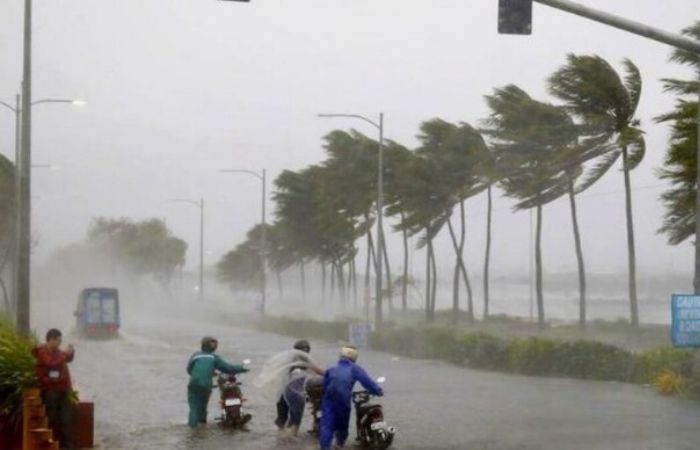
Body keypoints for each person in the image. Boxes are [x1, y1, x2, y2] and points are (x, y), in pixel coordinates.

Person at [320, 345, 383, 450]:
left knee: (327, 425)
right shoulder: (355, 369)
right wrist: (378, 391)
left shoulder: (331, 368)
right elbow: (367, 382)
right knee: (342, 425)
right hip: (343, 400)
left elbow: (325, 384)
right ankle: (339, 445)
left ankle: (325, 447)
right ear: (354, 357)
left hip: (329, 400)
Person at [186, 336, 249, 428]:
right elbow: (228, 368)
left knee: (194, 408)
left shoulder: (195, 355)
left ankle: (193, 428)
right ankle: (202, 425)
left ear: (202, 345)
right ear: (214, 348)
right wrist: (242, 368)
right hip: (206, 385)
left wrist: (207, 373)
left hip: (194, 384)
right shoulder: (214, 357)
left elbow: (189, 370)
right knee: (203, 406)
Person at [33, 328, 75, 449]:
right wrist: (64, 354)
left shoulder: (58, 351)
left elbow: (67, 359)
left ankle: (67, 446)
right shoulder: (43, 352)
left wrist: (71, 352)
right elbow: (52, 363)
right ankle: (53, 445)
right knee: (53, 419)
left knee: (66, 419)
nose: (60, 343)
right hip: (51, 390)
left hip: (63, 389)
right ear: (51, 339)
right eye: (58, 341)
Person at [274, 339, 324, 435]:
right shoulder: (304, 360)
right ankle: (289, 439)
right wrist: (330, 374)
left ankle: (278, 438)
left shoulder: (288, 360)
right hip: (295, 394)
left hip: (282, 393)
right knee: (294, 422)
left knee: (281, 419)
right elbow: (318, 371)